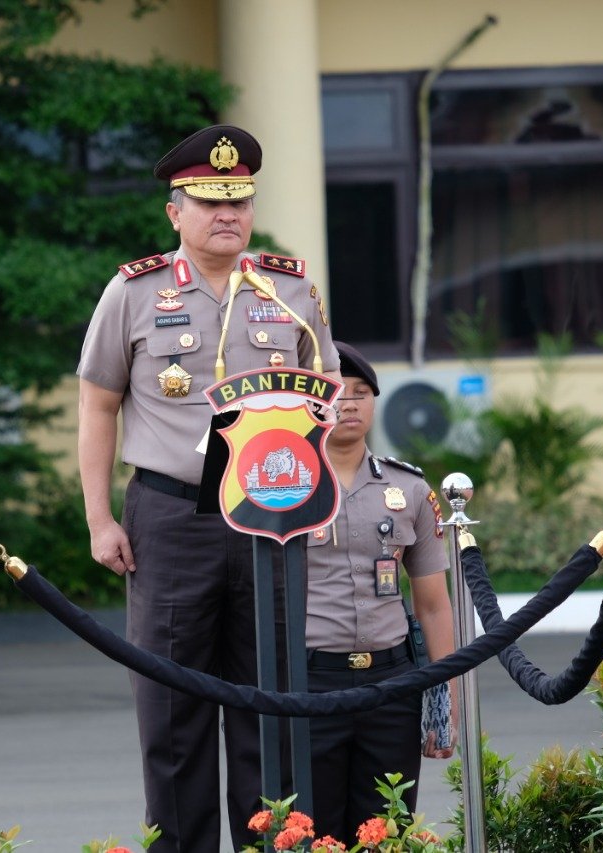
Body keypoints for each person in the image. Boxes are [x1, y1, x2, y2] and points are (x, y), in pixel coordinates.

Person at [76, 124, 340, 853]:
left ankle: (270, 846)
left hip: (271, 515)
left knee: (270, 702)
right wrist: (99, 517)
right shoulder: (134, 292)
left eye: (239, 201)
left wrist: (324, 499)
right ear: (175, 211)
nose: (227, 214)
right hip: (172, 515)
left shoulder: (287, 290)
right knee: (172, 709)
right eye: (209, 201)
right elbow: (98, 404)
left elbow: (326, 399)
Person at [304, 341, 457, 843]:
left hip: (392, 685)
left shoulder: (409, 489)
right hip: (311, 682)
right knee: (315, 830)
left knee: (387, 829)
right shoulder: (283, 487)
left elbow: (433, 604)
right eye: (335, 393)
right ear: (311, 401)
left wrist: (445, 699)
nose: (348, 404)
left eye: (361, 393)